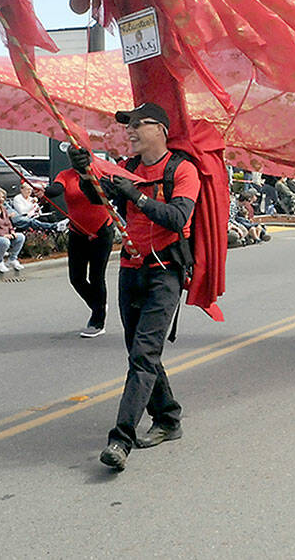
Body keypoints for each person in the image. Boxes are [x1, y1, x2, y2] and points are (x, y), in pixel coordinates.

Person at [72, 102, 197, 473]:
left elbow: (177, 217)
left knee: (143, 354)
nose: (129, 132)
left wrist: (137, 195)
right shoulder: (125, 168)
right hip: (130, 269)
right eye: (127, 126)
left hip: (166, 271)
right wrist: (84, 172)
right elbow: (99, 196)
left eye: (137, 125)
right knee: (139, 352)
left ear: (160, 129)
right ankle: (169, 418)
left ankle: (120, 439)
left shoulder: (182, 169)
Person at [44, 162, 115, 338]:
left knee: (96, 276)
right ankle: (98, 304)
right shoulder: (65, 175)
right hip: (78, 232)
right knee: (76, 278)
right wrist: (44, 190)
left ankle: (98, 321)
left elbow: (110, 193)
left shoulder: (100, 172)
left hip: (102, 230)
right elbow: (55, 190)